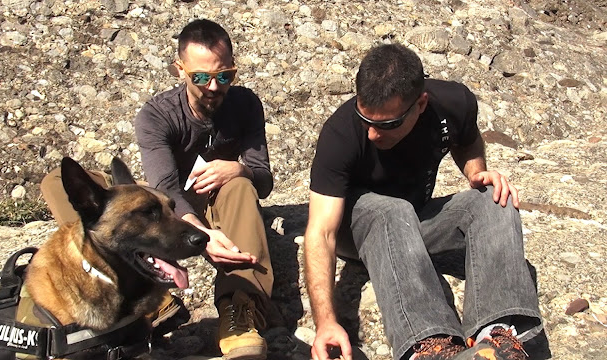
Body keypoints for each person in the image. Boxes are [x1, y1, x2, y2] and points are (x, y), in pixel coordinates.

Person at [41, 19, 273, 360]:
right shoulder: (157, 115)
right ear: (179, 69)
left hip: (217, 201)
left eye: (224, 75)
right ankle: (153, 292)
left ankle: (240, 309)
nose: (213, 86)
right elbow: (164, 188)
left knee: (241, 184)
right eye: (200, 77)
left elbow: (264, 181)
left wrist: (239, 167)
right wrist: (197, 232)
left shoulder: (246, 104)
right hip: (167, 210)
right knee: (57, 183)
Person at [304, 43, 543, 360]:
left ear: (420, 104)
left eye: (387, 124)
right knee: (391, 209)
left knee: (493, 199)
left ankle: (495, 338)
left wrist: (477, 174)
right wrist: (326, 322)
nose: (374, 134)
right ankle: (431, 346)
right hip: (359, 230)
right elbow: (320, 232)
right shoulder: (341, 134)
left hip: (414, 223)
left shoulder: (453, 102)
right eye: (366, 119)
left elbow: (468, 139)